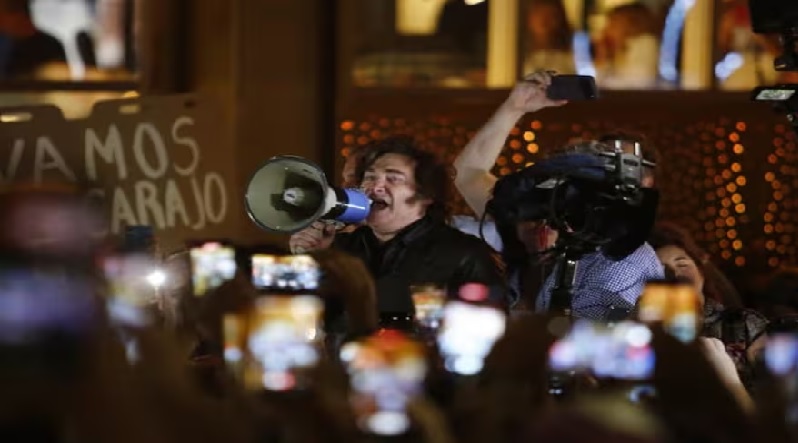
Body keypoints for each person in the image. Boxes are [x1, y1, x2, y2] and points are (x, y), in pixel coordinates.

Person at [453, 70, 663, 319]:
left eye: (618, 168)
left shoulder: (624, 257)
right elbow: (468, 174)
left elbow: (583, 345)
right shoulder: (537, 210)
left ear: (645, 183)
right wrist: (514, 108)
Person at [290, 135, 505, 318]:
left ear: (426, 194)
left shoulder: (465, 254)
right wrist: (314, 260)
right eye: (370, 177)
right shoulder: (340, 248)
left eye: (393, 179)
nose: (376, 187)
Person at [648, 221, 768, 388]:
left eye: (682, 264)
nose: (675, 274)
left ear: (702, 273)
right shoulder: (647, 334)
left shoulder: (743, 324)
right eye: (662, 269)